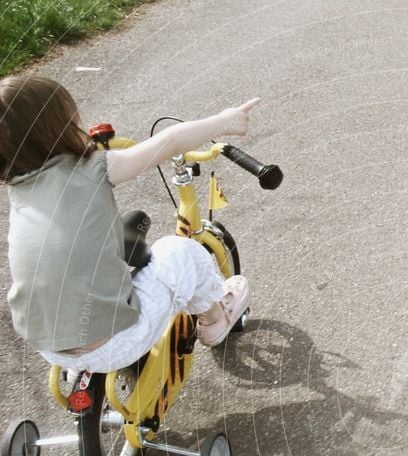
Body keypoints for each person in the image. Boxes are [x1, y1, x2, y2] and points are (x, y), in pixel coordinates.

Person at [0, 75, 259, 372]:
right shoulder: (93, 168)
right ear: (59, 125)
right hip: (113, 344)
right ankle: (215, 318)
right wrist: (226, 120)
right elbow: (170, 140)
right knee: (181, 251)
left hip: (47, 344)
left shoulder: (18, 188)